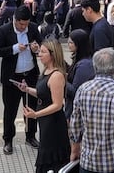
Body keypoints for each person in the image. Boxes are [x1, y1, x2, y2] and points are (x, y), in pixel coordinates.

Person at [0, 5, 42, 154]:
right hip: (12, 77)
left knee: (31, 108)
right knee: (10, 110)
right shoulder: (5, 30)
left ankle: (31, 136)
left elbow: (40, 44)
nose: (23, 27)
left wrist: (36, 48)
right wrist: (14, 49)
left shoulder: (33, 28)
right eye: (21, 24)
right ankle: (8, 140)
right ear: (15, 20)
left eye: (26, 24)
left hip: (30, 74)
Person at [19, 39, 71, 173]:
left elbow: (57, 105)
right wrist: (27, 90)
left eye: (43, 52)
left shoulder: (56, 75)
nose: (39, 55)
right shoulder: (46, 71)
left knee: (51, 155)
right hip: (45, 121)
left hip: (53, 123)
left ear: (52, 55)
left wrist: (35, 114)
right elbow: (44, 94)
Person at [65, 29, 94, 120]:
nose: (68, 44)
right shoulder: (79, 59)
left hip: (77, 111)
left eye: (71, 42)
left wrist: (62, 79)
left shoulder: (84, 65)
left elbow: (75, 91)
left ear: (78, 44)